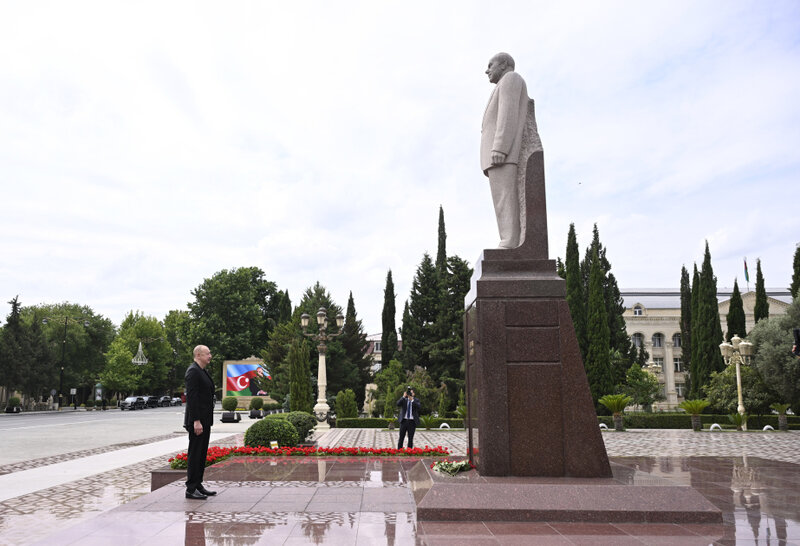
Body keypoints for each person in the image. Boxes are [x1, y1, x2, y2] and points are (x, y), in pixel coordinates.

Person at [480, 52, 530, 249]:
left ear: (504, 65)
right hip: (498, 156)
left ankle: (510, 240)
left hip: (504, 154)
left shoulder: (511, 79)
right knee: (501, 200)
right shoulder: (504, 83)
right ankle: (509, 238)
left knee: (505, 199)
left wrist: (500, 147)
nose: (487, 70)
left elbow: (507, 114)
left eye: (490, 64)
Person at [184, 345, 217, 499]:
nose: (210, 355)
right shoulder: (193, 372)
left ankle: (198, 484)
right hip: (197, 421)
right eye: (207, 353)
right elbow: (191, 398)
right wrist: (196, 421)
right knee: (195, 453)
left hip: (205, 419)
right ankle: (190, 489)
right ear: (198, 355)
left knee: (202, 453)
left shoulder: (202, 371)